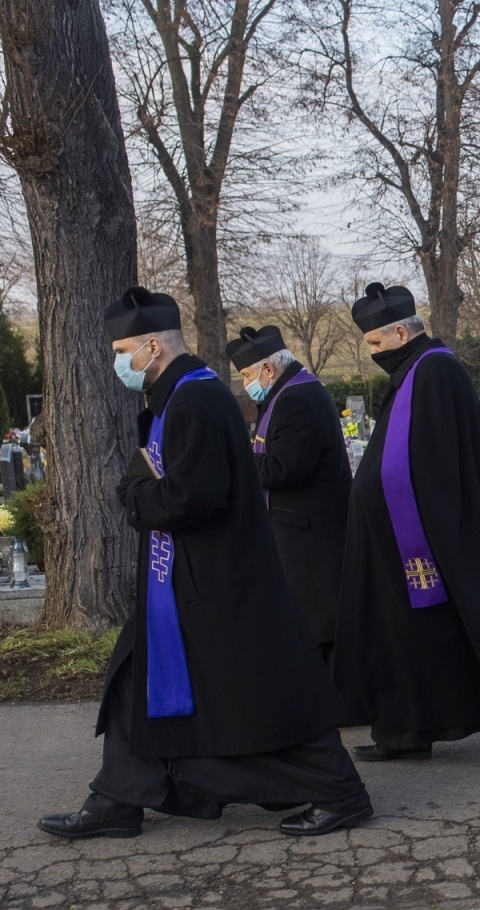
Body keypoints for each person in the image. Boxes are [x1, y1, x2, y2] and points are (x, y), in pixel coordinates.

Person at [38, 287, 372, 840]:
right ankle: (119, 798)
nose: (118, 362)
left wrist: (132, 495)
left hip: (214, 581)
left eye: (123, 350)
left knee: (261, 696)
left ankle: (341, 791)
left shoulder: (194, 400)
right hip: (191, 577)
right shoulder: (182, 395)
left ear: (151, 346)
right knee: (136, 677)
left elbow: (194, 496)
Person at [334, 283, 480, 761]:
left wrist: (425, 520)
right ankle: (406, 731)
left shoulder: (436, 370)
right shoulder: (408, 374)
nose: (373, 353)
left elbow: (440, 458)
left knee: (479, 617)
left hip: (438, 530)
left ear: (400, 332)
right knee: (407, 634)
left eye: (376, 343)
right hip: (401, 534)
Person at [228, 325, 351, 662]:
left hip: (310, 533)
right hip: (297, 527)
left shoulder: (297, 398)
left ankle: (333, 700)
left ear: (268, 368)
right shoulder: (286, 391)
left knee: (319, 619)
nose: (245, 384)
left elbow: (286, 468)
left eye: (247, 374)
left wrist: (235, 459)